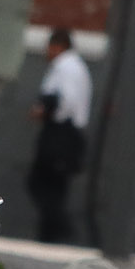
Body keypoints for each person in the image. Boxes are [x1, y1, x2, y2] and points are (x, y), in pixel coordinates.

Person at [27, 28, 92, 244]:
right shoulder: (78, 68)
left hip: (60, 133)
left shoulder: (65, 67)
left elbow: (65, 100)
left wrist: (44, 111)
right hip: (68, 134)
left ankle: (60, 228)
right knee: (55, 186)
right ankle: (52, 233)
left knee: (42, 183)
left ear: (58, 46)